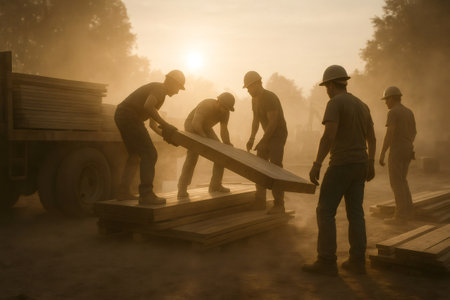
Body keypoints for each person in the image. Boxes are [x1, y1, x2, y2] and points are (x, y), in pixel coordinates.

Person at [302, 65, 376, 276]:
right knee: (356, 213)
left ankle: (326, 261)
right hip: (360, 164)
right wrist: (370, 162)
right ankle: (357, 261)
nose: (326, 90)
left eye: (326, 86)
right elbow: (372, 137)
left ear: (332, 84)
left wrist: (317, 163)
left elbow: (328, 136)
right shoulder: (362, 105)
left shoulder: (335, 103)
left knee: (325, 211)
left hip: (341, 164)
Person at [114, 70, 185, 205]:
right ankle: (146, 195)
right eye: (178, 88)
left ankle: (123, 191)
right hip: (129, 116)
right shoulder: (160, 89)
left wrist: (167, 136)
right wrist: (166, 124)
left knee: (135, 155)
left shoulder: (160, 93)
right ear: (172, 82)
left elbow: (153, 125)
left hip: (123, 115)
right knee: (150, 154)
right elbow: (148, 106)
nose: (177, 92)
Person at [243, 71, 288, 214]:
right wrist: (251, 138)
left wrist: (263, 141)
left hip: (278, 135)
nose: (248, 91)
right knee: (259, 166)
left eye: (249, 87)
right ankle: (260, 201)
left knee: (275, 168)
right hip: (267, 134)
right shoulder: (254, 99)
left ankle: (279, 204)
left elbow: (273, 123)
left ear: (257, 84)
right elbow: (256, 120)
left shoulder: (269, 97)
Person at [177, 93, 235, 198]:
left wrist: (227, 144)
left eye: (227, 109)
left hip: (206, 128)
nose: (224, 111)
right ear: (218, 102)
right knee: (192, 156)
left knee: (221, 153)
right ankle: (182, 188)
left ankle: (215, 185)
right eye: (223, 107)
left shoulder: (226, 111)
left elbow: (224, 129)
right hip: (192, 126)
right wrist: (206, 141)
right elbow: (196, 124)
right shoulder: (206, 105)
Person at [379, 86, 416, 224]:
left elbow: (390, 133)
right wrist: (408, 144)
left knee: (396, 182)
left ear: (392, 98)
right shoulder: (409, 112)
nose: (385, 103)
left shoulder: (393, 112)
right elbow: (414, 132)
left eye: (386, 99)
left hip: (397, 150)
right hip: (407, 149)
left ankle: (400, 216)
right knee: (403, 180)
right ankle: (408, 212)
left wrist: (382, 153)